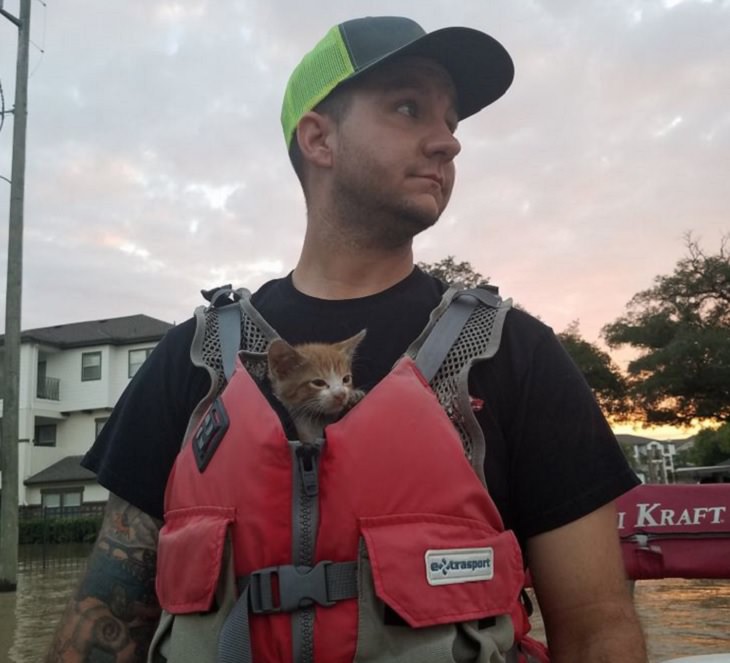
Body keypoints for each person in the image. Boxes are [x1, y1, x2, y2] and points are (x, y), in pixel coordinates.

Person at [47, 15, 647, 663]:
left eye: (451, 122)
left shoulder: (516, 355)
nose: (448, 142)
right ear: (319, 138)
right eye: (410, 108)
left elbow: (596, 629)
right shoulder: (193, 361)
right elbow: (102, 627)